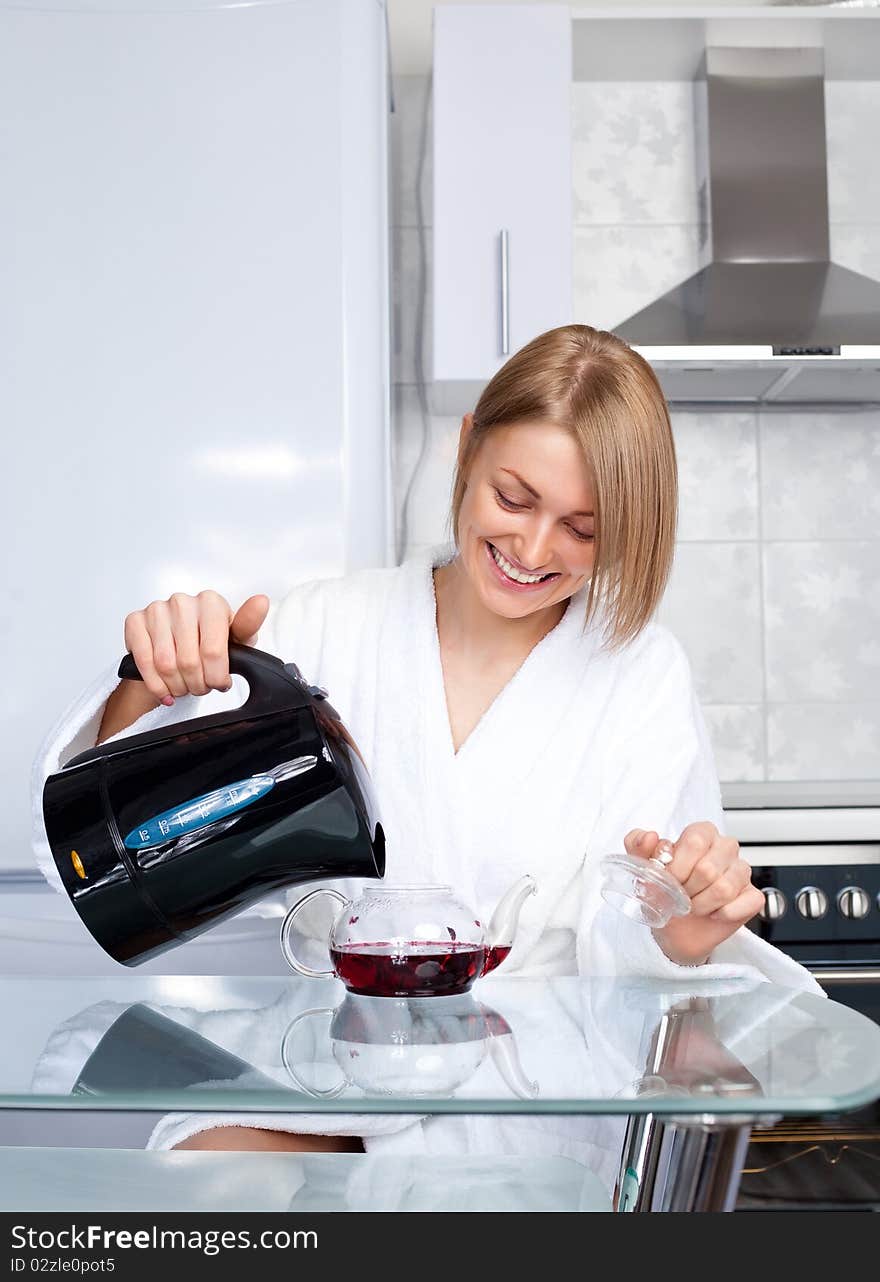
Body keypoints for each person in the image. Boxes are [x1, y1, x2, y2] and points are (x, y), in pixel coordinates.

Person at [32, 324, 821, 1172]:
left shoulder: (641, 677)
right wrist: (149, 689)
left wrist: (681, 931)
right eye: (515, 499)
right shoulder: (326, 628)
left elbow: (647, 952)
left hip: (539, 1118)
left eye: (582, 530)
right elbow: (93, 871)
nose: (532, 549)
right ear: (467, 447)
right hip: (326, 1086)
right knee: (210, 1182)